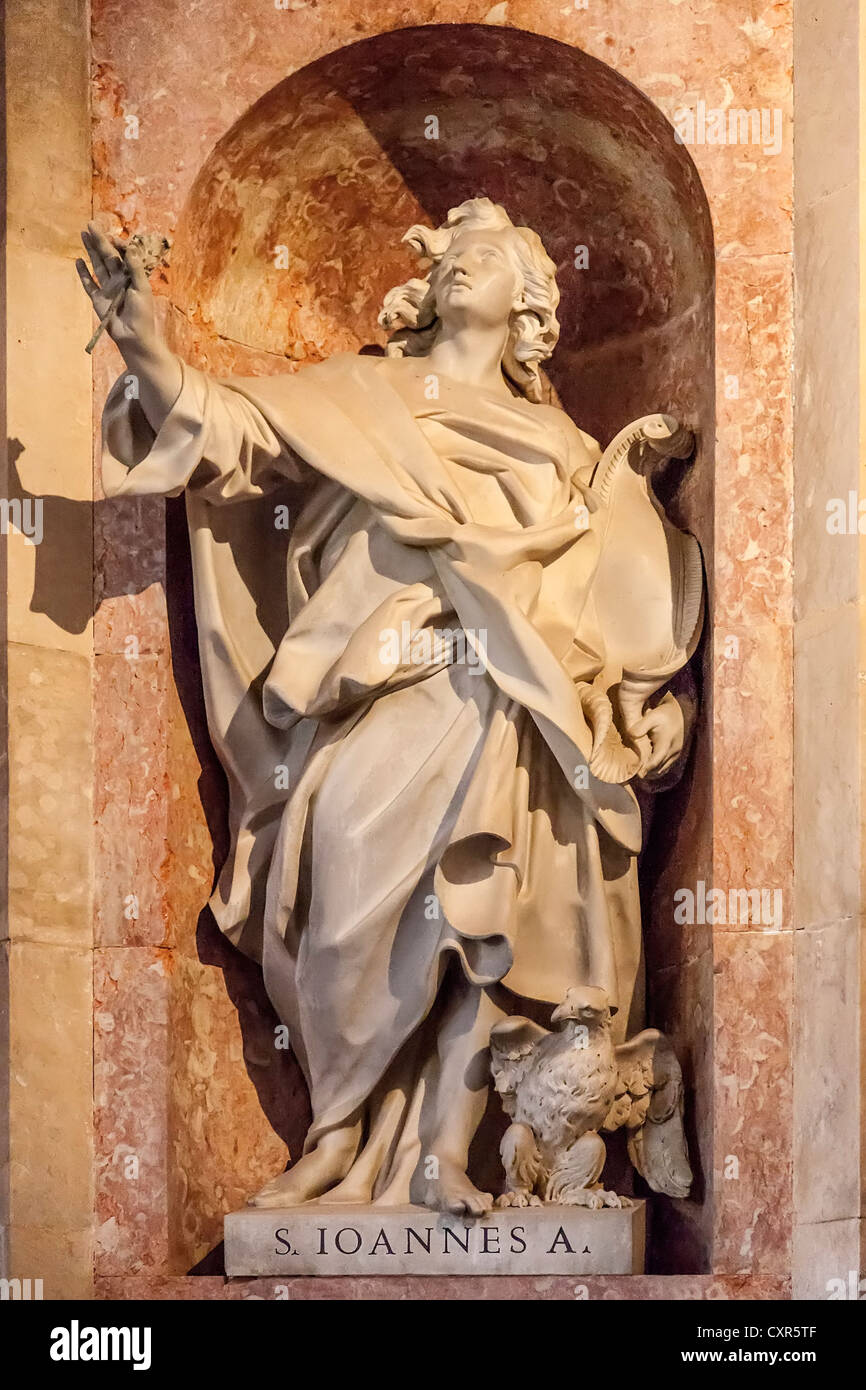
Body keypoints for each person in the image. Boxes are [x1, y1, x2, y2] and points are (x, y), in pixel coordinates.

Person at [78, 198, 695, 1215]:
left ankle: (439, 1154)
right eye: (450, 253)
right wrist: (146, 347)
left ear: (531, 304)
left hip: (507, 696)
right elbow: (227, 426)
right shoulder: (358, 395)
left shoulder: (557, 445)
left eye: (489, 254)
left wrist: (643, 705)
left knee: (484, 922)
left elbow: (604, 596)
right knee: (339, 910)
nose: (461, 265)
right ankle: (334, 1135)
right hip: (375, 690)